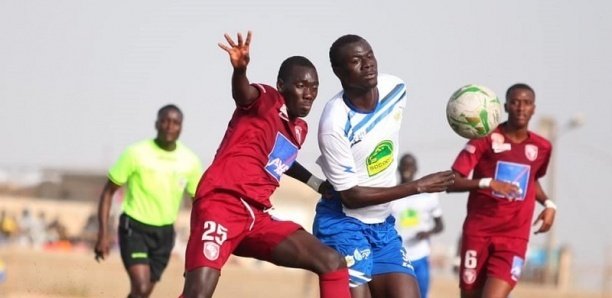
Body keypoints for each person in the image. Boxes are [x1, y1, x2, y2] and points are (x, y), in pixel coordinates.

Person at [181, 31, 350, 298]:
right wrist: (240, 70)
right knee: (197, 294)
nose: (309, 94)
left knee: (332, 262)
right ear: (282, 85)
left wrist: (317, 184)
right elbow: (242, 93)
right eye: (301, 85)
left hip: (257, 217)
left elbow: (283, 162)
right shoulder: (268, 100)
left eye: (314, 87)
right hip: (222, 205)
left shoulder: (299, 129)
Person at [312, 34, 455, 298]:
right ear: (339, 72)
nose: (368, 64)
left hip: (382, 226)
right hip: (344, 223)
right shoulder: (333, 123)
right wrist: (418, 186)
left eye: (369, 56)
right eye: (356, 61)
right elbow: (352, 197)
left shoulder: (395, 89)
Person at [447, 83, 556, 298]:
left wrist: (549, 204)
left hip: (514, 237)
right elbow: (452, 182)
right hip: (478, 233)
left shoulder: (542, 147)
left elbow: (531, 178)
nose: (521, 108)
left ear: (534, 108)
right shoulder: (484, 139)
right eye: (515, 102)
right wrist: (488, 183)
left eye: (527, 103)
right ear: (505, 106)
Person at [94, 104, 203, 298]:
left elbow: (199, 205)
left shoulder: (191, 161)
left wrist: (196, 245)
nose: (170, 126)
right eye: (165, 121)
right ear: (156, 124)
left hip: (165, 235)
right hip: (134, 228)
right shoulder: (135, 153)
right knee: (142, 287)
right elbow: (107, 193)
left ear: (181, 128)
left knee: (141, 294)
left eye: (175, 122)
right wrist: (103, 234)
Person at [391, 153, 445, 298]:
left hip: (421, 255)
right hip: (397, 257)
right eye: (404, 165)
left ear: (416, 169)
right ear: (398, 168)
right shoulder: (390, 195)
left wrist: (428, 233)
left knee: (422, 295)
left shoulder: (429, 196)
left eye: (411, 166)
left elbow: (440, 225)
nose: (407, 169)